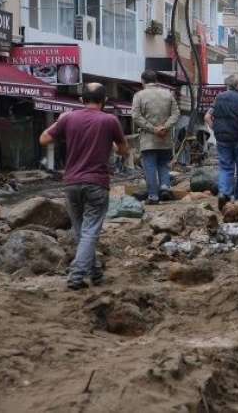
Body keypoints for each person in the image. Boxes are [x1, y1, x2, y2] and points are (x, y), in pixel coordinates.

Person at [39, 83, 129, 290]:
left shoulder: (69, 118)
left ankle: (95, 272)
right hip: (97, 183)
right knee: (89, 232)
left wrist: (62, 126)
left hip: (71, 183)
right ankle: (76, 276)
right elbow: (124, 151)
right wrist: (113, 145)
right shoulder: (110, 120)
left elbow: (43, 139)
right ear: (104, 101)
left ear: (82, 100)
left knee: (81, 231)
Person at [204, 74, 238, 211]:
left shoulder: (219, 97)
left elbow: (207, 116)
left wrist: (216, 129)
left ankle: (224, 193)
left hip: (222, 139)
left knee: (226, 168)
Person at [131, 70, 180, 204]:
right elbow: (176, 114)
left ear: (142, 81)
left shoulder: (139, 95)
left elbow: (135, 116)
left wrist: (153, 129)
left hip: (148, 139)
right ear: (156, 80)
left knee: (150, 166)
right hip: (165, 138)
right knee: (164, 164)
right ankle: (164, 186)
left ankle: (153, 196)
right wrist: (165, 127)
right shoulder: (168, 94)